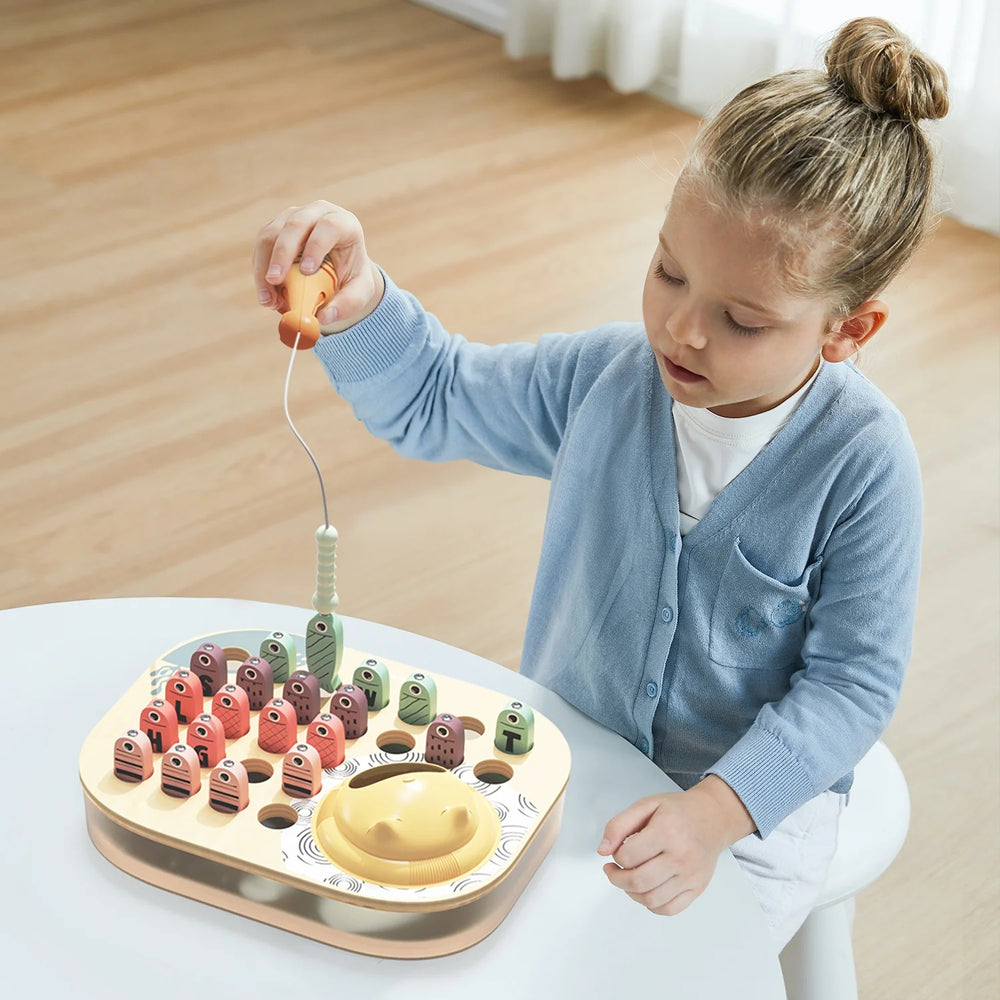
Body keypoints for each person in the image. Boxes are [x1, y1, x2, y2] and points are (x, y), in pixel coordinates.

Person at [252, 17, 947, 950]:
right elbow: (440, 395)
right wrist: (363, 300)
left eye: (742, 320)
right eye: (667, 271)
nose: (682, 331)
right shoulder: (608, 380)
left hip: (745, 818)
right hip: (560, 755)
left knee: (658, 965)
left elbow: (851, 688)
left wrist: (715, 814)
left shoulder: (864, 463)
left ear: (847, 331)